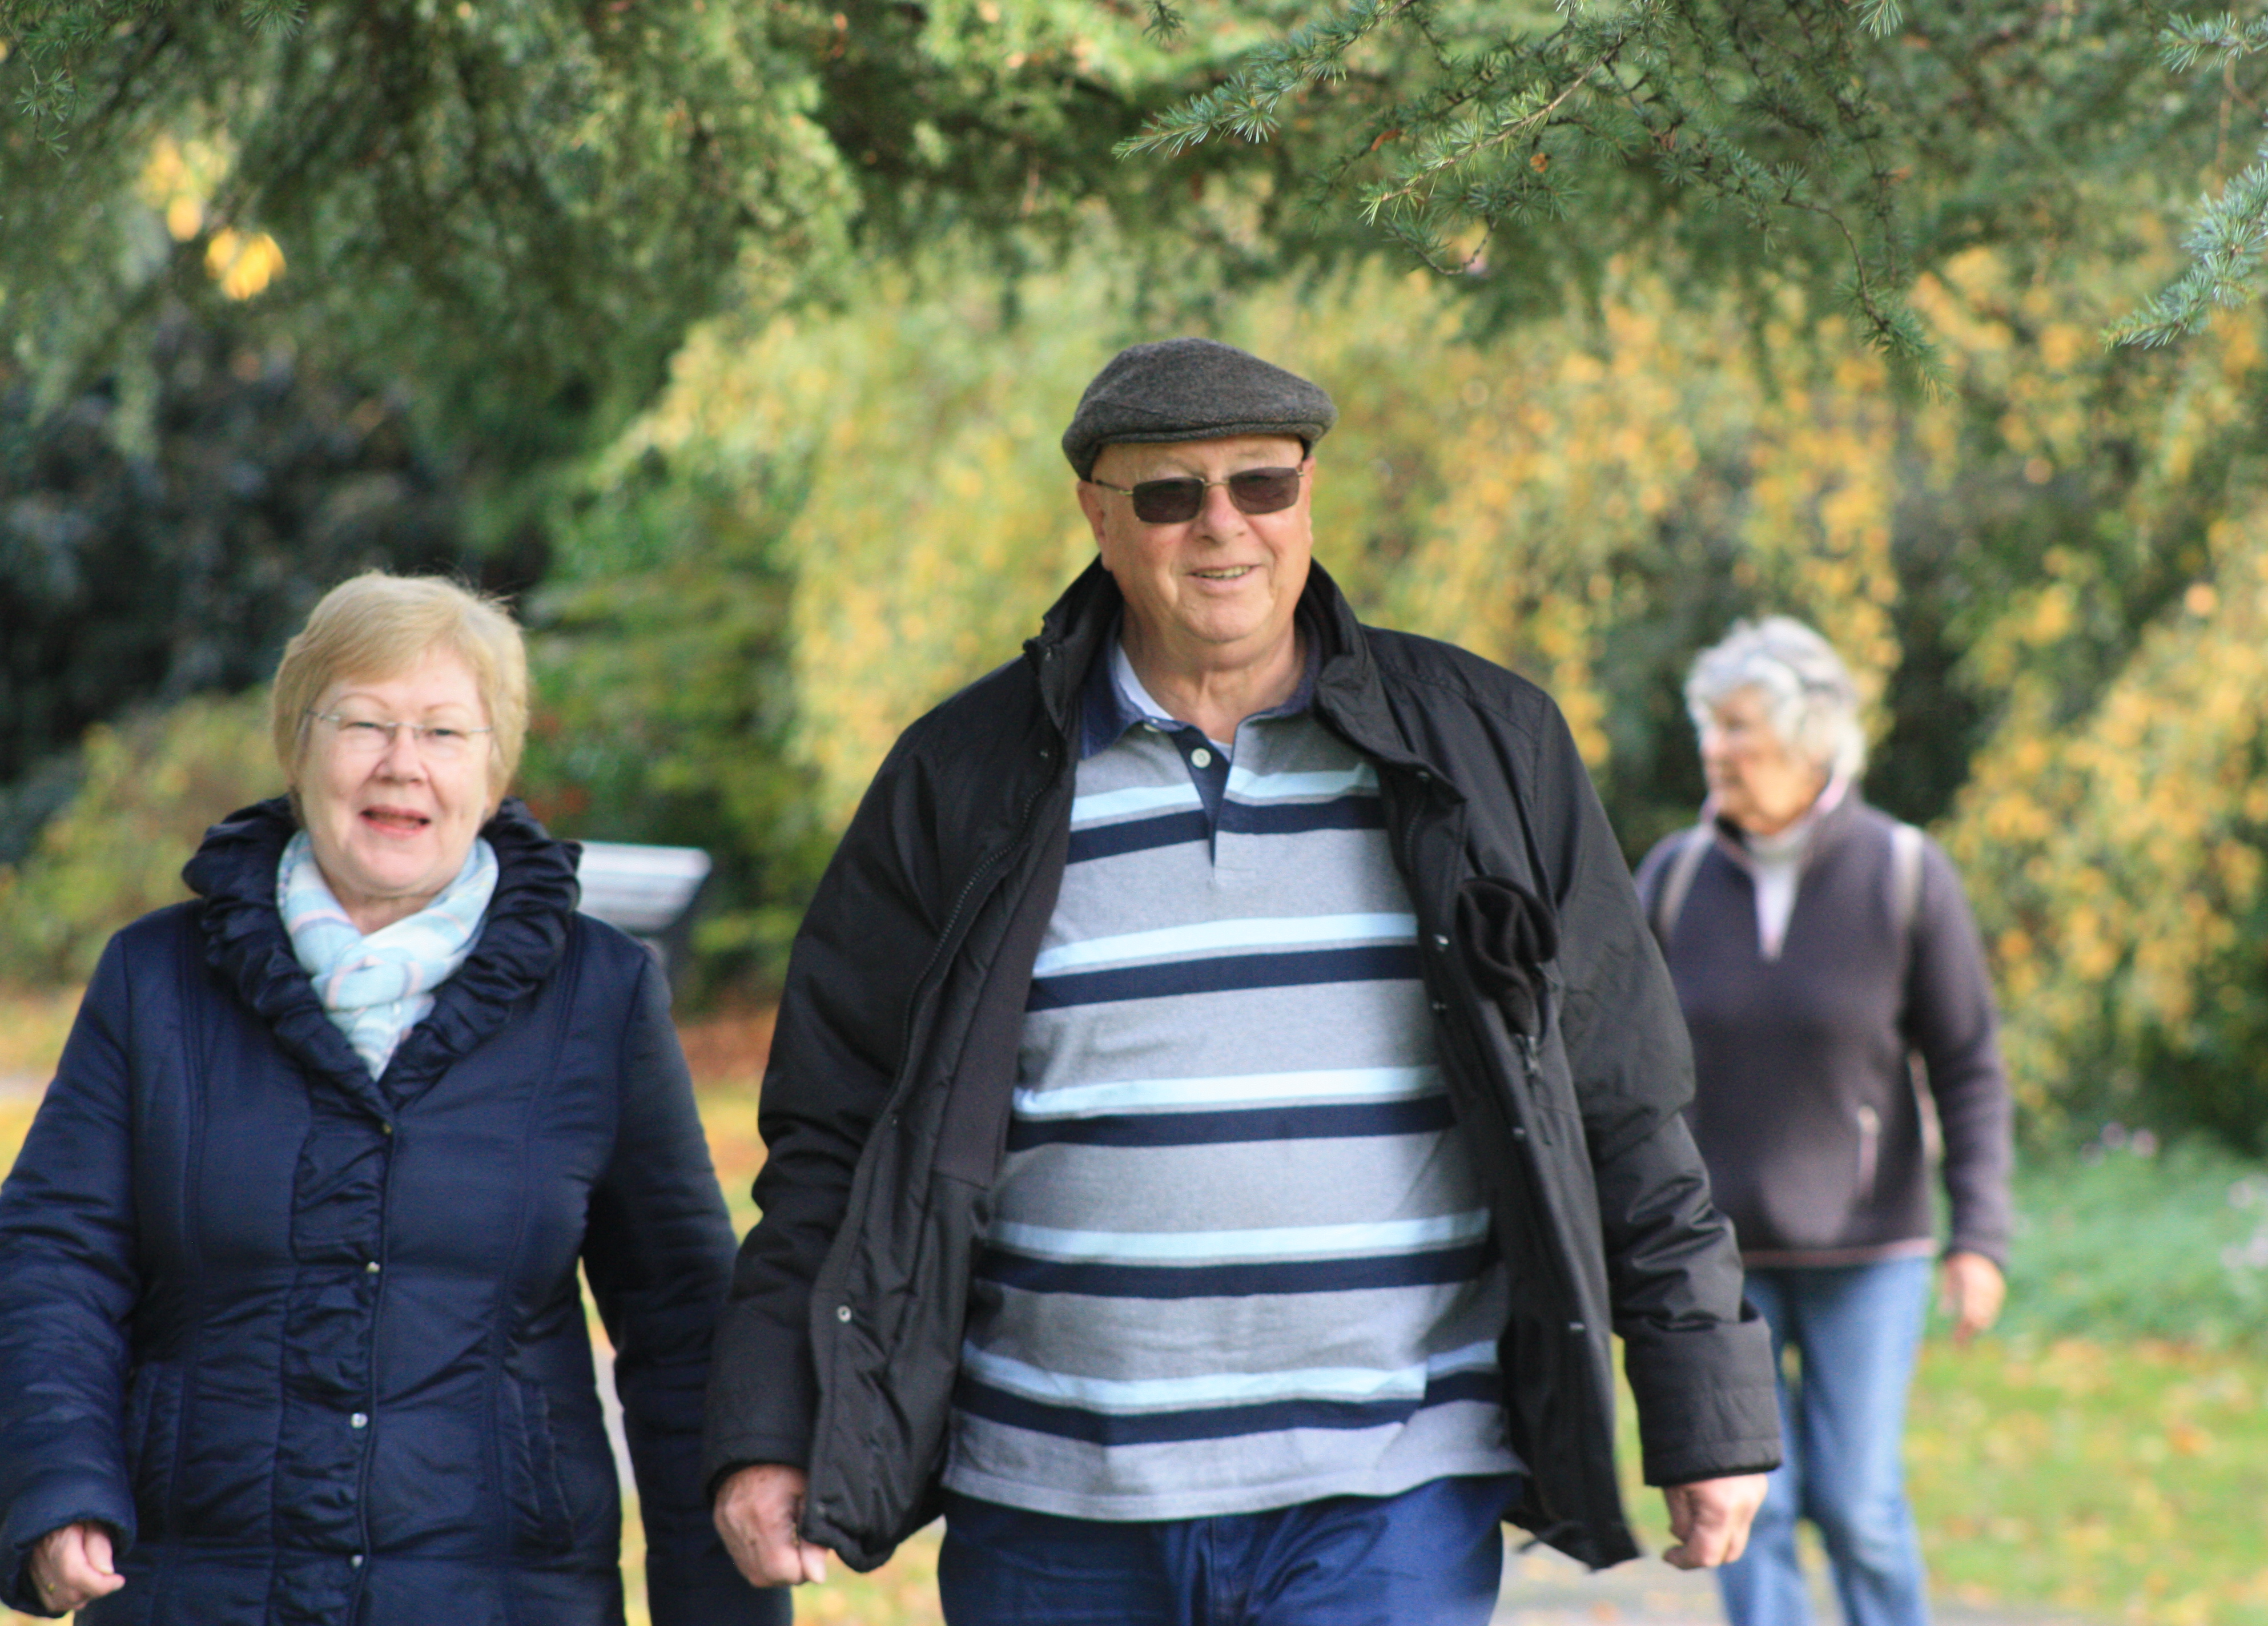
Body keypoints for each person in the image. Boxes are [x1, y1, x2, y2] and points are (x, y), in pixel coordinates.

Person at [703, 337, 1782, 1625]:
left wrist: (1705, 1402)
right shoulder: (962, 778)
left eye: (1261, 485)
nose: (1223, 527)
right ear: (1100, 518)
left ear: (1308, 495)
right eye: (1171, 494)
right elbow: (831, 1130)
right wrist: (769, 1425)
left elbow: (1619, 1095)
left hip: (1389, 1495)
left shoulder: (1489, 748)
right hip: (1055, 1505)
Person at [0, 573, 789, 1626]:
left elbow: (686, 1327)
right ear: (298, 745)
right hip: (197, 1593)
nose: (401, 764)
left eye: (444, 732)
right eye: (363, 722)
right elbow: (54, 1261)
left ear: (495, 766)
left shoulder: (596, 996)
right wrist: (56, 1488)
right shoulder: (159, 981)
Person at [1638, 617, 2013, 1626]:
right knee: (1750, 1504)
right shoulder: (1671, 879)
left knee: (1859, 1505)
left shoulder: (1905, 872)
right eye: (1711, 725)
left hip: (1868, 1251)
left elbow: (1970, 1067)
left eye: (1741, 726)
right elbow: (1623, 1065)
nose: (1717, 747)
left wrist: (1979, 1238)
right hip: (1718, 1259)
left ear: (1813, 741)